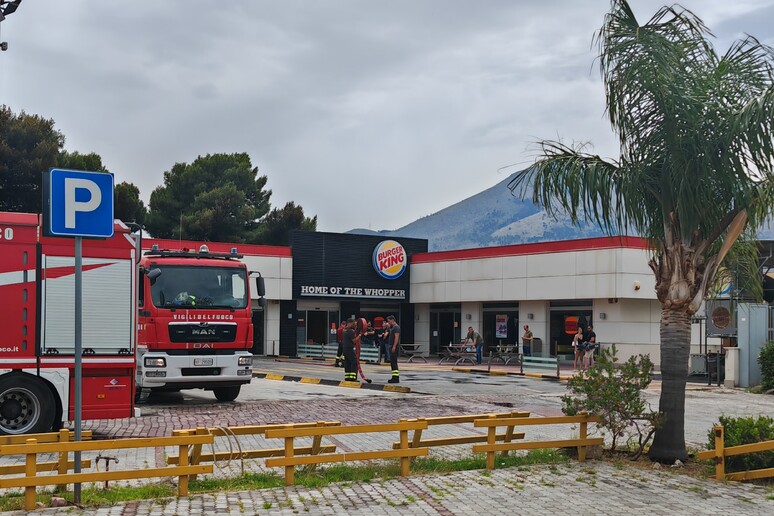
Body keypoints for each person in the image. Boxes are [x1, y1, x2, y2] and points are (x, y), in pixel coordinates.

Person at [342, 317, 360, 382]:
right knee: (354, 361)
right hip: (349, 348)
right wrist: (360, 335)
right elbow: (354, 341)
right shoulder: (350, 331)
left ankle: (347, 377)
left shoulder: (344, 330)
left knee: (347, 362)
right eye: (353, 323)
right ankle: (352, 377)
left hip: (345, 349)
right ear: (349, 323)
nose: (354, 324)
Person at [386, 315, 401, 383]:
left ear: (392, 320)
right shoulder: (392, 328)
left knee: (394, 362)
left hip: (393, 346)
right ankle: (394, 377)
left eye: (389, 321)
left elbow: (396, 337)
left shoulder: (396, 328)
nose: (388, 323)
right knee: (392, 362)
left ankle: (395, 378)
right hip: (391, 346)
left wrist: (394, 346)